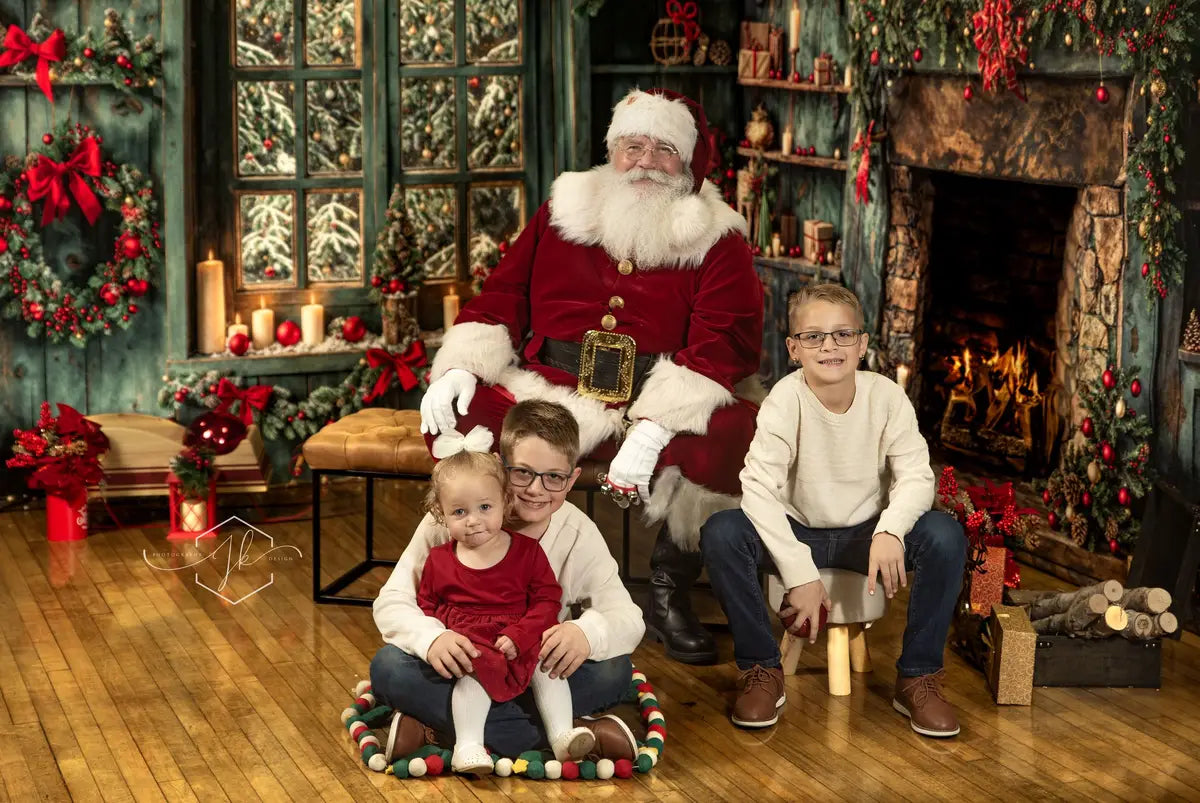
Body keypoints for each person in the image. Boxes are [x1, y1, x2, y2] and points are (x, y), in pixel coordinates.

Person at [419, 87, 763, 665]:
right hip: (548, 390)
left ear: (688, 164)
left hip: (650, 400)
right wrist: (459, 365)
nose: (646, 162)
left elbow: (725, 341)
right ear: (612, 151)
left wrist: (655, 427)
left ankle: (666, 593)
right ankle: (495, 571)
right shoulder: (564, 207)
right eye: (633, 147)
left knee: (730, 434)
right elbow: (505, 292)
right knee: (454, 413)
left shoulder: (717, 236)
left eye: (664, 150)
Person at [700, 283, 967, 737]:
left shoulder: (886, 397)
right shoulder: (785, 400)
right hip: (797, 529)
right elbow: (757, 488)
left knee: (945, 535)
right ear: (794, 349)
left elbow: (917, 476)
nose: (829, 346)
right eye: (813, 336)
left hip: (866, 533)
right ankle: (761, 668)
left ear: (862, 344)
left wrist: (890, 530)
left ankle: (918, 675)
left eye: (843, 334)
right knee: (722, 532)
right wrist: (800, 573)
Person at [371, 401, 646, 762]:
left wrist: (585, 632)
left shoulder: (578, 533)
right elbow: (393, 600)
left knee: (614, 670)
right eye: (523, 473)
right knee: (389, 668)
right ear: (501, 466)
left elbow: (628, 618)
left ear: (572, 479)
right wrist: (431, 637)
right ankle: (567, 730)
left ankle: (441, 731)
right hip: (467, 665)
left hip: (534, 667)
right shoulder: (452, 518)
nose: (535, 489)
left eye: (554, 477)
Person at [413, 442, 596, 774]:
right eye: (459, 512)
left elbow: (547, 601)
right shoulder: (439, 560)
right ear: (441, 513)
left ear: (505, 502)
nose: (473, 521)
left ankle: (561, 735)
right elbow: (426, 605)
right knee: (469, 678)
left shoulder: (527, 552)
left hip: (523, 639)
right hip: (473, 646)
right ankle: (468, 745)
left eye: (485, 507)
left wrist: (521, 635)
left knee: (549, 668)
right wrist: (442, 636)